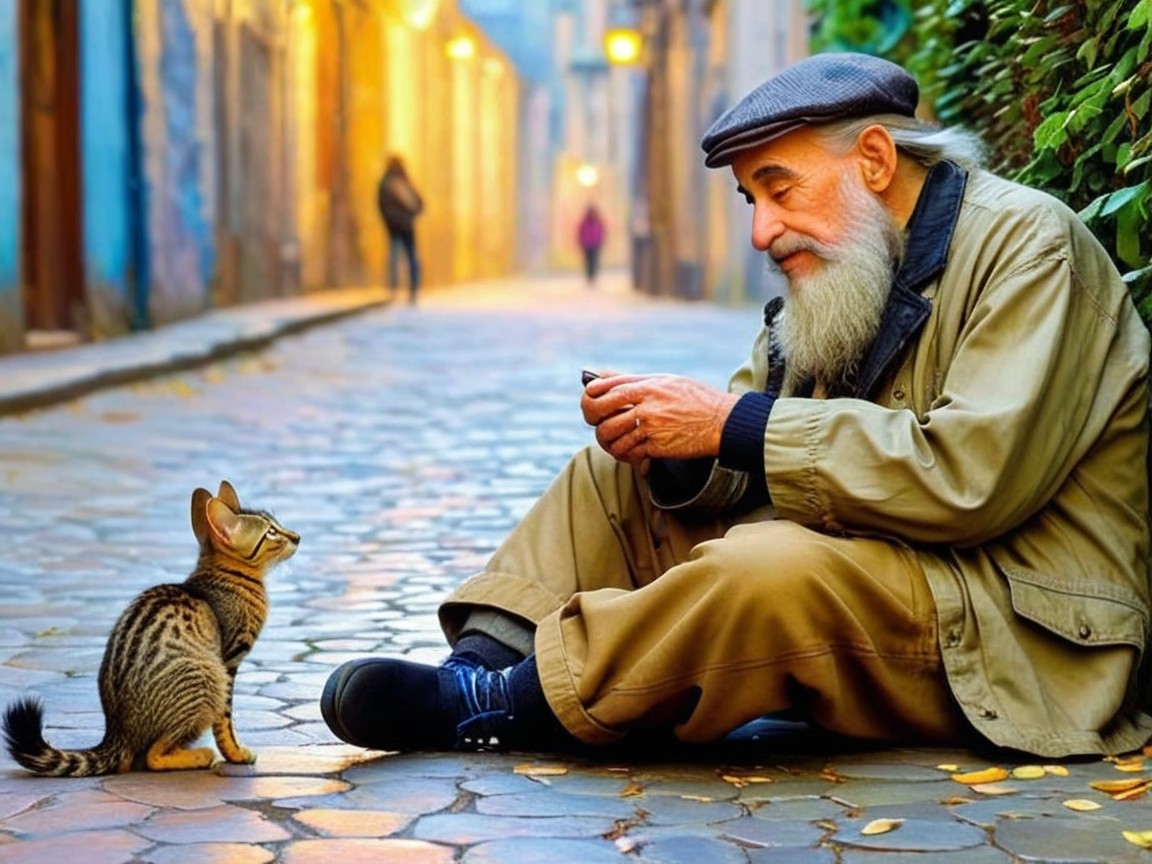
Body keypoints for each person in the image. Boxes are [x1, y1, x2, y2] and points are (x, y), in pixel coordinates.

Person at [322, 53, 1152, 759]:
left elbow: (972, 478)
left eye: (779, 189)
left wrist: (730, 425)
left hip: (1014, 625)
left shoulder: (1031, 247)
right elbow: (752, 439)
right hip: (881, 565)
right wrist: (675, 448)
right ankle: (478, 669)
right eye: (752, 200)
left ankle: (518, 704)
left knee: (767, 572)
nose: (763, 230)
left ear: (872, 158)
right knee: (618, 472)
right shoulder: (838, 267)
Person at [377, 155, 424, 303]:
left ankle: (407, 288)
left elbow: (419, 202)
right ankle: (401, 288)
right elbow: (383, 205)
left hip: (400, 226)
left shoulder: (397, 182)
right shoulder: (394, 183)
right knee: (403, 256)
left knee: (404, 256)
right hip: (400, 226)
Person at [577, 204, 607, 285]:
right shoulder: (585, 221)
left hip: (595, 244)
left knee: (594, 261)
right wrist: (581, 241)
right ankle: (589, 276)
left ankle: (593, 276)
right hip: (587, 244)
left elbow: (602, 231)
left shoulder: (597, 221)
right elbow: (580, 232)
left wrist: (601, 240)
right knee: (588, 261)